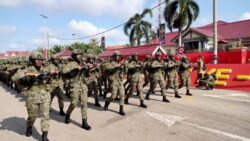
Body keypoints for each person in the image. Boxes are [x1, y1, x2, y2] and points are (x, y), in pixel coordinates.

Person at [12, 52, 51, 141]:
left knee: (45, 115)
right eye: (37, 60)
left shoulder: (45, 69)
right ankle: (29, 126)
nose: (40, 62)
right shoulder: (27, 69)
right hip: (32, 97)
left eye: (41, 60)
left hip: (45, 95)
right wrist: (29, 76)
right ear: (33, 61)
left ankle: (44, 135)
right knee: (32, 116)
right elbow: (14, 78)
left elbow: (51, 79)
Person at [63, 49, 91, 130]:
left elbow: (86, 74)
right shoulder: (71, 64)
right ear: (74, 56)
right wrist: (74, 70)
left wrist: (88, 69)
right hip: (74, 86)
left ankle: (84, 122)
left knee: (84, 104)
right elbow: (64, 71)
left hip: (83, 86)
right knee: (74, 103)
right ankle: (68, 114)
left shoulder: (83, 63)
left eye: (81, 54)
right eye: (78, 55)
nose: (80, 56)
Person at [104, 51, 126, 116]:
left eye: (119, 56)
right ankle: (107, 102)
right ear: (114, 56)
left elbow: (122, 71)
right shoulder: (111, 63)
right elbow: (107, 67)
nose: (118, 57)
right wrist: (116, 66)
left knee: (122, 95)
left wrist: (122, 73)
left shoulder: (120, 63)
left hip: (120, 81)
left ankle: (121, 110)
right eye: (117, 56)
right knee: (113, 96)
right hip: (113, 81)